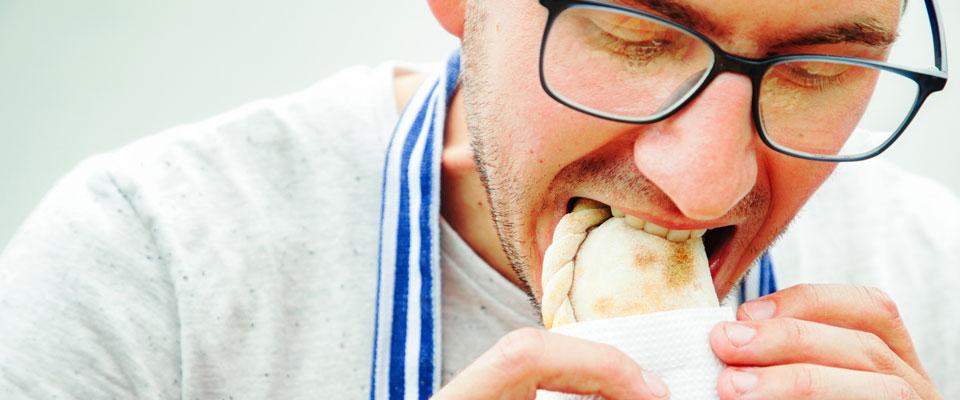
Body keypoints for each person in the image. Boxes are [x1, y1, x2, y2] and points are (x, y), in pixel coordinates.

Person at [0, 0, 956, 399]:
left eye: (822, 65)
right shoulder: (144, 272)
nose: (709, 184)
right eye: (632, 30)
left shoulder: (935, 278)